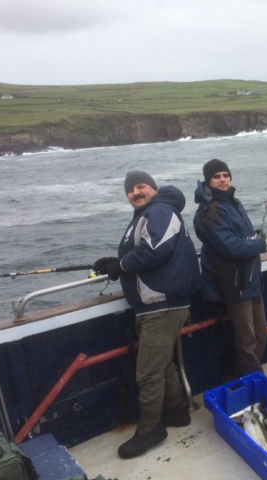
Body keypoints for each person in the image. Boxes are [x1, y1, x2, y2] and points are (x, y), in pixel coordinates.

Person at [93, 171, 199, 459]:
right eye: (131, 190)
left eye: (141, 186)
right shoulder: (149, 213)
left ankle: (150, 430)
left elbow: (156, 248)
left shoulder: (161, 210)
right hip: (152, 304)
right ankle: (176, 411)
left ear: (154, 188)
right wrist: (116, 263)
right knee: (162, 363)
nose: (136, 192)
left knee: (148, 372)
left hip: (162, 304)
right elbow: (143, 249)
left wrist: (122, 266)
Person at [193, 159, 267, 376]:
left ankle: (246, 376)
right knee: (247, 340)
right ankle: (254, 383)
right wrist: (261, 245)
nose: (222, 179)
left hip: (251, 279)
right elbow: (229, 246)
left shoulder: (234, 203)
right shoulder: (208, 212)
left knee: (260, 334)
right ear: (208, 181)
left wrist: (256, 236)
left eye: (225, 175)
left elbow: (239, 237)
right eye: (216, 176)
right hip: (233, 284)